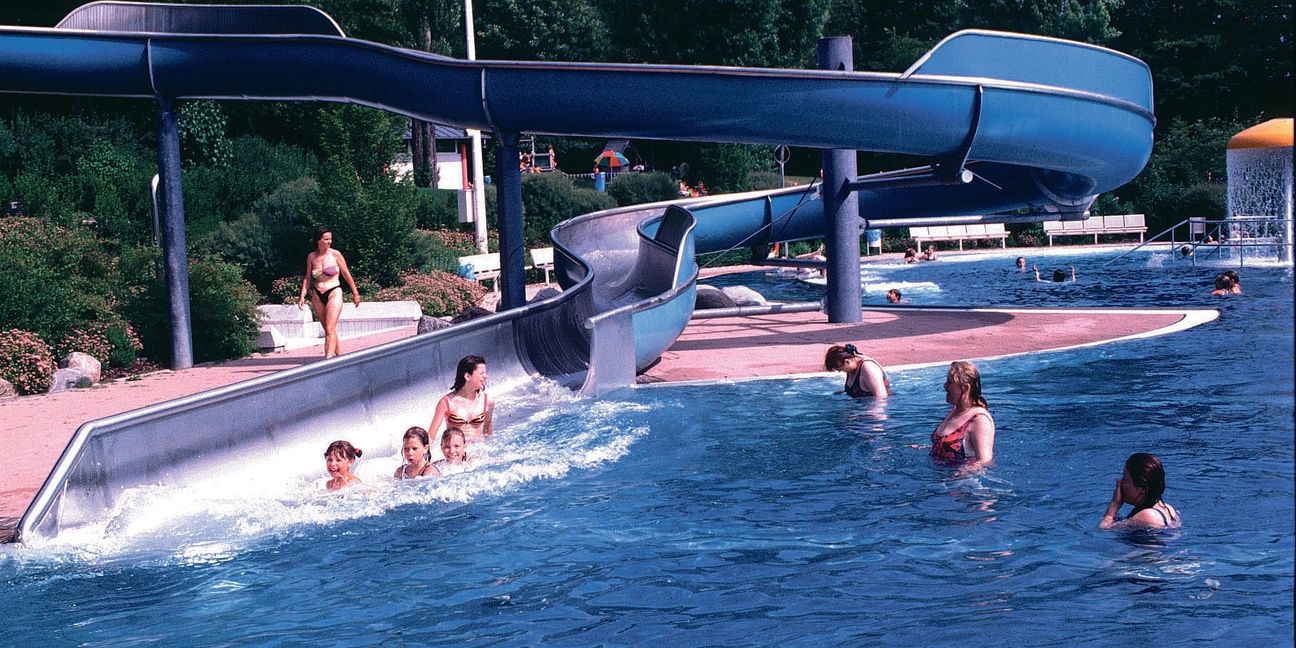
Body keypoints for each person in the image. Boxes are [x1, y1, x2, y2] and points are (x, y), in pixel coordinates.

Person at [298, 227, 361, 358]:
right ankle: (341, 358)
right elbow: (308, 278)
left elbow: (346, 273)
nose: (329, 242)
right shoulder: (312, 257)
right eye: (326, 239)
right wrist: (302, 295)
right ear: (318, 240)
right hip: (317, 294)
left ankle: (327, 361)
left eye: (330, 239)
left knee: (330, 329)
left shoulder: (335, 254)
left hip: (334, 291)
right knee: (328, 329)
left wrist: (355, 293)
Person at [930, 361, 996, 472]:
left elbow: (985, 460)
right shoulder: (955, 410)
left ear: (965, 388)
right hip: (942, 476)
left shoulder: (979, 420)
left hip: (964, 483)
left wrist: (964, 471)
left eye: (950, 383)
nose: (945, 386)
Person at [1099, 452, 1181, 530]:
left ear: (1141, 488)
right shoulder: (1168, 508)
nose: (1120, 483)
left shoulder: (1147, 516)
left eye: (1125, 479)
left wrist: (1114, 504)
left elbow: (1104, 528)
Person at [428, 354, 494, 442]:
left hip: (479, 450)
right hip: (455, 452)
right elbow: (430, 437)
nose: (486, 376)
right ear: (467, 376)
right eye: (482, 373)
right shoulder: (447, 403)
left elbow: (488, 433)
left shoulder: (487, 401)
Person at [824, 343, 890, 398]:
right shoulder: (853, 364)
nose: (840, 371)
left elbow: (881, 397)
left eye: (840, 369)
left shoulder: (869, 368)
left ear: (847, 362)